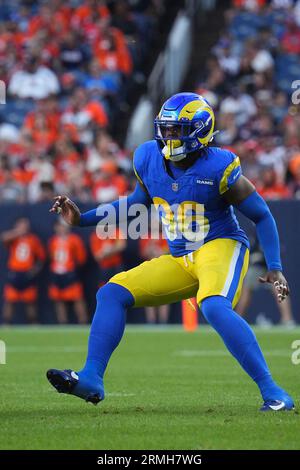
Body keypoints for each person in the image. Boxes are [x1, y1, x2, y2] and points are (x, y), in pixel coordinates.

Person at [46, 92, 294, 411]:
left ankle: (274, 393)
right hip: (181, 256)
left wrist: (274, 265)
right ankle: (92, 378)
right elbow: (137, 203)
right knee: (111, 293)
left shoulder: (219, 165)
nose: (168, 136)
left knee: (214, 307)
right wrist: (83, 219)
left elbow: (261, 214)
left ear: (199, 130)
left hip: (220, 246)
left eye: (177, 129)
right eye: (165, 128)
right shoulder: (148, 157)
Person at [236, 235, 295, 327]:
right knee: (246, 293)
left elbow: (277, 248)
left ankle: (287, 320)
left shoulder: (267, 227)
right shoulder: (255, 231)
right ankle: (237, 320)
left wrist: (260, 256)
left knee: (279, 291)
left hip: (269, 268)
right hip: (259, 267)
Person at [1, 218, 45, 324]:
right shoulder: (13, 239)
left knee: (30, 301)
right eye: (21, 225)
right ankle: (6, 323)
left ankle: (33, 323)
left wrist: (34, 271)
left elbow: (41, 258)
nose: (24, 227)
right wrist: (18, 232)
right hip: (15, 272)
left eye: (25, 225)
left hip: (27, 273)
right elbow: (3, 238)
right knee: (10, 300)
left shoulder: (33, 240)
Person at [48, 219, 88, 324]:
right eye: (59, 226)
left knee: (77, 297)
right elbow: (51, 256)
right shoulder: (53, 241)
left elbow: (81, 258)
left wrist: (73, 268)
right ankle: (62, 322)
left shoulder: (74, 240)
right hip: (57, 272)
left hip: (70, 272)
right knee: (58, 299)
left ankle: (83, 321)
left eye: (63, 226)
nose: (61, 228)